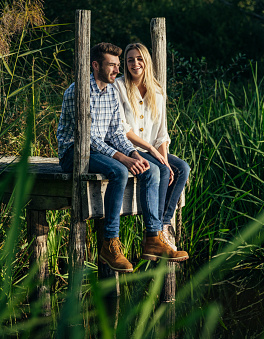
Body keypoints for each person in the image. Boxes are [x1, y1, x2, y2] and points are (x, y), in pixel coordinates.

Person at [56, 42, 189, 273]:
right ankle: (109, 242)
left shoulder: (109, 92)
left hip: (98, 150)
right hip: (74, 152)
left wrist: (135, 155)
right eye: (113, 65)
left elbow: (116, 132)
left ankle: (153, 237)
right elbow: (89, 139)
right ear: (96, 66)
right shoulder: (79, 91)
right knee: (118, 171)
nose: (118, 70)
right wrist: (124, 159)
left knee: (150, 168)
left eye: (118, 65)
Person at [113, 42, 190, 251]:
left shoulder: (157, 90)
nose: (135, 63)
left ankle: (164, 224)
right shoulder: (119, 87)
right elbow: (122, 128)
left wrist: (163, 156)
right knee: (162, 170)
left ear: (147, 62)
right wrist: (156, 154)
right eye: (130, 60)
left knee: (182, 168)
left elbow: (161, 134)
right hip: (127, 148)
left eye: (139, 59)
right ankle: (153, 233)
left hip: (151, 149)